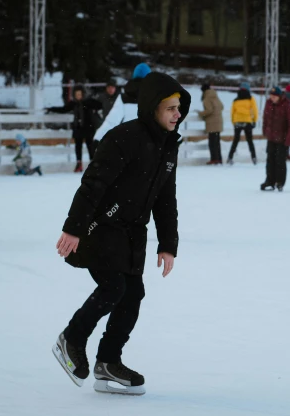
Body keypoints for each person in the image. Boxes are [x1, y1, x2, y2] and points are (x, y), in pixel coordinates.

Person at [52, 72, 189, 395]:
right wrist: (74, 228)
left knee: (132, 295)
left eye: (179, 108)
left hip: (131, 232)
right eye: (170, 108)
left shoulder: (168, 146)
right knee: (113, 287)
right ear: (153, 108)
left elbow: (165, 198)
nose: (177, 114)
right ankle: (72, 337)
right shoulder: (124, 138)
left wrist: (168, 244)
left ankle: (108, 363)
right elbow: (93, 185)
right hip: (98, 226)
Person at [47, 86, 103, 173]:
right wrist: (52, 108)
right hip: (78, 128)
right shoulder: (73, 104)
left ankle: (93, 164)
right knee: (78, 147)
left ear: (83, 94)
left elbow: (99, 105)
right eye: (76, 94)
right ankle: (79, 163)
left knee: (90, 146)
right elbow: (64, 109)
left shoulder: (88, 102)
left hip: (88, 128)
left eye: (80, 94)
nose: (78, 96)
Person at [93, 64, 151, 143]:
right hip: (150, 142)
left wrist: (98, 137)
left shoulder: (124, 96)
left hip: (130, 141)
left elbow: (111, 122)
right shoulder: (156, 96)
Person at [261, 86, 290, 192]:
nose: (272, 98)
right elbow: (266, 118)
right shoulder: (268, 103)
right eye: (271, 96)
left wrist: (288, 139)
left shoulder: (286, 105)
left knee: (280, 161)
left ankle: (280, 182)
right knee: (270, 160)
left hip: (283, 138)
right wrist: (265, 130)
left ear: (279, 96)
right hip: (271, 137)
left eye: (274, 96)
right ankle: (270, 181)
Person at [227, 82, 258, 165]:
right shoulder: (250, 98)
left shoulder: (236, 99)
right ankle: (254, 157)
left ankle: (230, 157)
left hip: (237, 121)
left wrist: (233, 121)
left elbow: (232, 112)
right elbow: (254, 110)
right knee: (250, 140)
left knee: (236, 140)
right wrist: (254, 120)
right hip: (247, 121)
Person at [197, 83, 225, 165]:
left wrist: (200, 113)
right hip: (219, 121)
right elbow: (222, 107)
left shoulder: (206, 98)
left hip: (211, 123)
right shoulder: (215, 96)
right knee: (217, 142)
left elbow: (209, 110)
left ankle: (214, 159)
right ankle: (219, 159)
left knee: (212, 142)